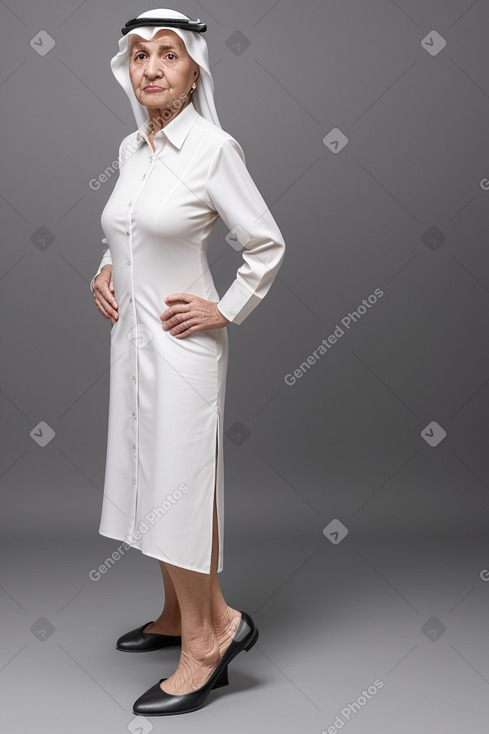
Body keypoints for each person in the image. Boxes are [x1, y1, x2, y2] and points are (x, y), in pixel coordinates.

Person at [90, 8, 286, 716]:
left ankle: (211, 635)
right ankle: (176, 612)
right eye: (139, 55)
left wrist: (226, 307)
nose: (150, 68)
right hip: (132, 341)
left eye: (167, 55)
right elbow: (134, 222)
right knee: (147, 474)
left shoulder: (212, 147)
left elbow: (264, 244)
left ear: (193, 67)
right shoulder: (132, 148)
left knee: (178, 482)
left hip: (182, 347)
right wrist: (105, 268)